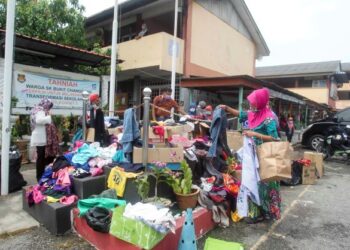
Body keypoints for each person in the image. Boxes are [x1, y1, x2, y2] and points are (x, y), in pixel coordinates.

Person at [220, 88, 281, 222]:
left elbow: (275, 138)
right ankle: (256, 212)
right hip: (253, 155)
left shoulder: (269, 118)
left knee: (266, 183)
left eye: (253, 103)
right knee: (254, 182)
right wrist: (227, 108)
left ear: (260, 102)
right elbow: (241, 114)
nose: (251, 105)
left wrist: (255, 134)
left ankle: (269, 212)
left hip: (265, 156)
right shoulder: (254, 113)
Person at [30, 98, 58, 181]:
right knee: (41, 158)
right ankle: (40, 177)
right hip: (41, 138)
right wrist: (49, 117)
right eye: (49, 106)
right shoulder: (40, 110)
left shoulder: (36, 110)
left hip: (40, 137)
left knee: (42, 157)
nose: (49, 108)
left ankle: (42, 175)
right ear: (45, 104)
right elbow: (38, 120)